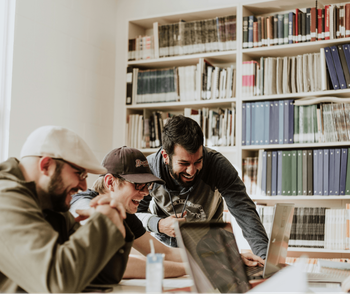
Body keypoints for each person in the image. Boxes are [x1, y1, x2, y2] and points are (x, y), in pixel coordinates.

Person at [0, 126, 132, 294]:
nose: (84, 187)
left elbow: (103, 276)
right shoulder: (5, 199)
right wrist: (104, 221)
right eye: (79, 174)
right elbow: (57, 281)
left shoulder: (51, 205)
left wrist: (115, 219)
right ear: (46, 165)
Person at [136, 115, 269, 259]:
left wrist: (264, 259)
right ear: (165, 156)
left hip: (211, 251)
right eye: (184, 164)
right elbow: (135, 214)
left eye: (198, 161)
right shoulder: (149, 170)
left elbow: (245, 212)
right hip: (165, 252)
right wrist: (159, 224)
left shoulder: (218, 166)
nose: (191, 171)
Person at [70, 146, 186, 278]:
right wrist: (189, 269)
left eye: (147, 185)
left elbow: (163, 253)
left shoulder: (124, 213)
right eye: (138, 184)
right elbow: (115, 264)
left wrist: (206, 258)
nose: (146, 193)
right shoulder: (82, 203)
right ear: (110, 182)